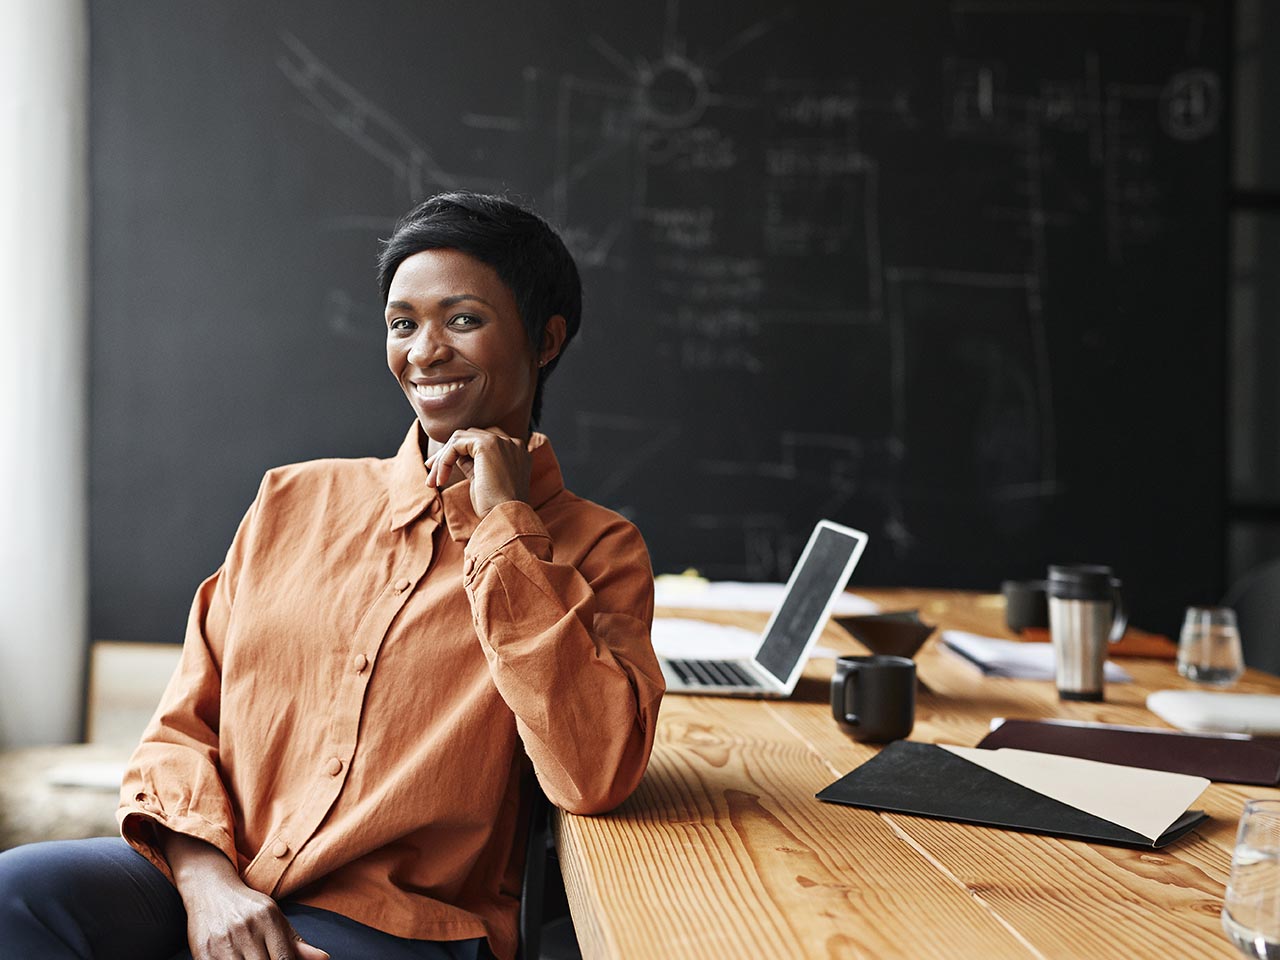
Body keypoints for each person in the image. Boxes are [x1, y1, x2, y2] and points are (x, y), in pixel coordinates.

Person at [0, 192, 665, 960]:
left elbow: (595, 774)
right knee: (17, 893)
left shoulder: (599, 550)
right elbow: (183, 726)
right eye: (403, 323)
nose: (425, 351)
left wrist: (503, 530)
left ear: (546, 339)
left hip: (397, 922)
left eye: (464, 319)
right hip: (215, 872)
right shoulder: (291, 499)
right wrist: (210, 886)